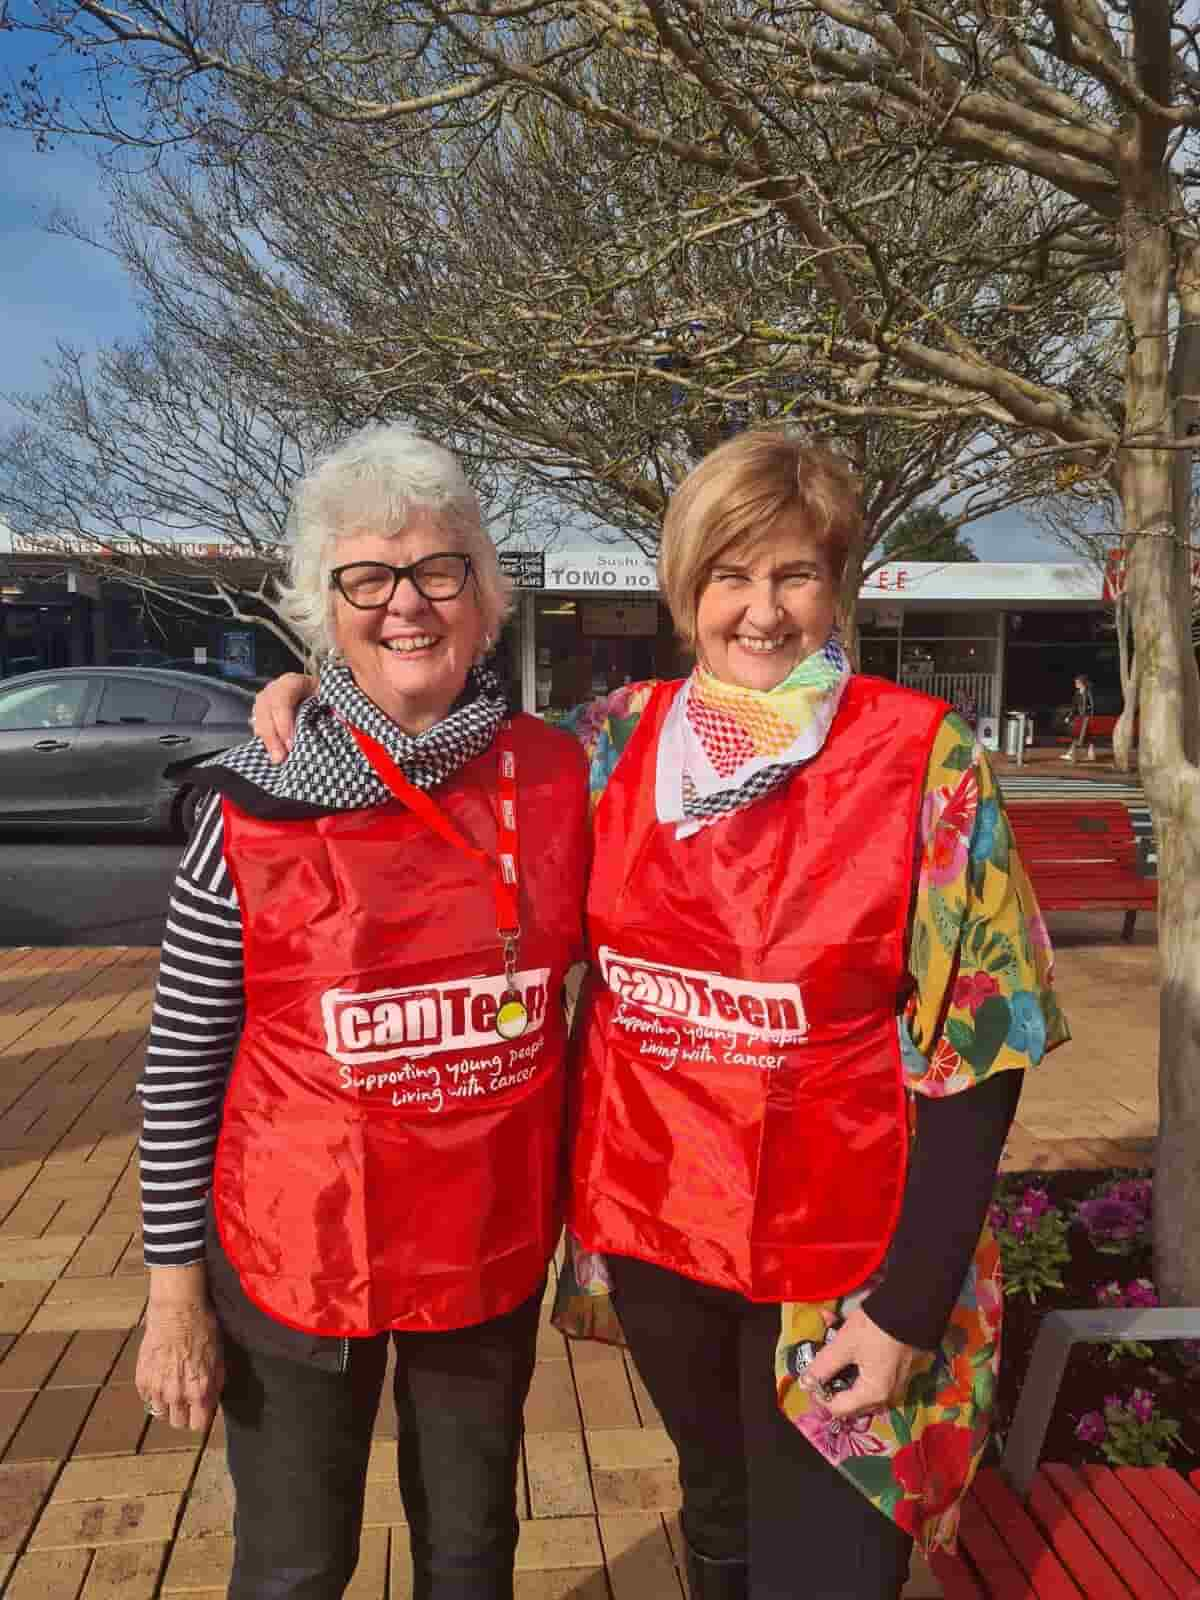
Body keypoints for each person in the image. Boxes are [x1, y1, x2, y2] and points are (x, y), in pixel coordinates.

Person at [254, 430, 1069, 1600]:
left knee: (827, 1562)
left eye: (793, 574)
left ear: (835, 583)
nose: (761, 610)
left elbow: (982, 1050)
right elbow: (435, 754)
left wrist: (907, 1303)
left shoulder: (922, 758)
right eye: (729, 576)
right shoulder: (608, 744)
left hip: (841, 1256)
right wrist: (316, 696)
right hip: (660, 1237)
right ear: (686, 591)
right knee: (722, 1517)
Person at [136, 424, 590, 1600]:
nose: (408, 605)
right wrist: (172, 1295)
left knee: (472, 1557)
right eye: (368, 579)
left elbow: (738, 711)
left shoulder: (567, 775)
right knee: (292, 1567)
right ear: (321, 608)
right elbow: (181, 1066)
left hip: (484, 1244)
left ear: (485, 598)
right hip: (295, 1251)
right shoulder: (248, 803)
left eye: (440, 571)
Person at [1062, 673, 1095, 761]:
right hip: (1081, 718)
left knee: (1077, 735)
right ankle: (1091, 755)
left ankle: (1071, 753)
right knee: (1085, 736)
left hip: (1086, 718)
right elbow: (1074, 707)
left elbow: (1092, 705)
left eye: (1077, 682)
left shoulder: (1088, 692)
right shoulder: (1077, 693)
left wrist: (1090, 716)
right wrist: (1069, 716)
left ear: (1082, 683)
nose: (1075, 684)